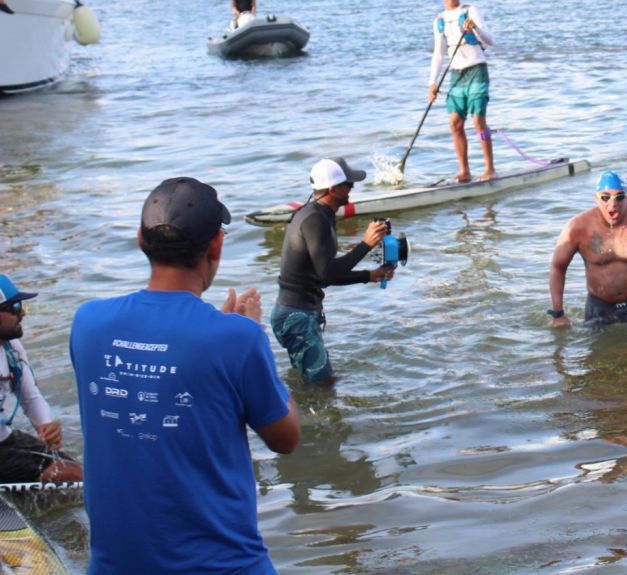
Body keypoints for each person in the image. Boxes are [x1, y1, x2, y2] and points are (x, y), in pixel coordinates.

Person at [70, 177, 300, 574]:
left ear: (141, 239)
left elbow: (166, 370)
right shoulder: (238, 339)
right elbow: (285, 438)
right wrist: (252, 341)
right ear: (216, 244)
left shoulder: (88, 322)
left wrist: (222, 334)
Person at [272, 158, 395, 385]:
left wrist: (370, 275)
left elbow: (324, 275)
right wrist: (365, 244)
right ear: (333, 189)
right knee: (324, 386)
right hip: (297, 317)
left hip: (297, 314)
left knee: (309, 384)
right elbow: (327, 274)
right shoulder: (315, 220)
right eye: (348, 184)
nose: (352, 189)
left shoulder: (318, 214)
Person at [548, 171, 627, 327]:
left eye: (620, 197)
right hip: (599, 304)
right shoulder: (577, 227)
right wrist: (558, 313)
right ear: (596, 198)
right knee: (598, 351)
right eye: (605, 197)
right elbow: (558, 266)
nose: (613, 203)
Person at [0, 275, 83, 485]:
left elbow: (30, 397)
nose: (23, 312)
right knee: (77, 478)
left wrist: (46, 425)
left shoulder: (12, 348)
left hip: (5, 439)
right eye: (14, 306)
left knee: (80, 473)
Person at [428, 0, 497, 182]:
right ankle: (464, 171)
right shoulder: (439, 20)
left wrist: (475, 29)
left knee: (478, 120)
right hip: (456, 75)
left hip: (477, 69)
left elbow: (490, 40)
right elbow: (438, 53)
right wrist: (432, 83)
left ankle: (490, 169)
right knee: (455, 123)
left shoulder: (470, 10)